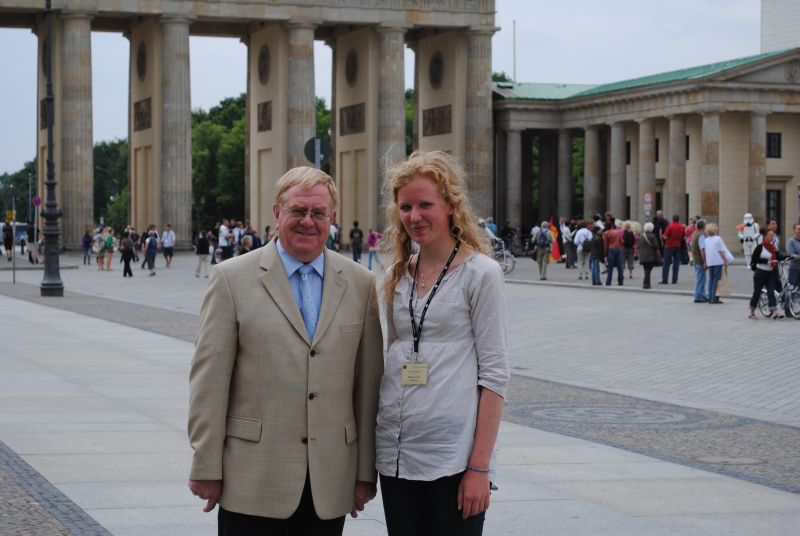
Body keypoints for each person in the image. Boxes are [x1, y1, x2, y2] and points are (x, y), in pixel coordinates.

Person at [188, 166, 383, 535]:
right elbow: (209, 384)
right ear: (277, 212)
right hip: (252, 477)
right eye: (297, 211)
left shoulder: (361, 284)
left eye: (318, 213)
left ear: (333, 217)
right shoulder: (231, 279)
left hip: (329, 480)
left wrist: (363, 473)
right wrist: (206, 466)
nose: (308, 221)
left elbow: (368, 388)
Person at [376, 151, 509, 535]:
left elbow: (495, 376)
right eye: (405, 207)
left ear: (451, 206)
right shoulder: (396, 275)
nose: (414, 216)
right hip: (397, 451)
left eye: (425, 205)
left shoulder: (481, 274)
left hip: (452, 456)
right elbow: (394, 355)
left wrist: (479, 468)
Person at [748, 229, 787, 319]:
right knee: (757, 293)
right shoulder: (760, 247)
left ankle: (774, 311)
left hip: (770, 273)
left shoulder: (773, 247)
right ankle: (752, 311)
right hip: (760, 273)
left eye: (773, 235)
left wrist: (788, 256)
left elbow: (779, 256)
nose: (772, 237)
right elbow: (754, 259)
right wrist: (766, 261)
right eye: (770, 235)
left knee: (771, 292)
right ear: (765, 236)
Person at [704, 223, 731, 304]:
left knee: (711, 279)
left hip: (710, 261)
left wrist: (705, 262)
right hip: (718, 261)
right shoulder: (718, 239)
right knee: (717, 280)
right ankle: (714, 298)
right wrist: (726, 261)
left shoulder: (706, 240)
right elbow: (721, 251)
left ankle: (710, 297)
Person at [659, 214, 685, 284]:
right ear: (678, 219)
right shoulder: (682, 227)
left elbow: (666, 236)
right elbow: (683, 236)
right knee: (676, 264)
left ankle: (665, 279)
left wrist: (663, 236)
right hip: (678, 246)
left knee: (666, 263)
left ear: (672, 219)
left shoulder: (670, 226)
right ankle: (674, 280)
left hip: (669, 246)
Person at [638, 222, 660, 289]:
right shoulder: (652, 236)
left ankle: (648, 284)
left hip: (642, 256)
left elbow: (639, 245)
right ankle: (646, 284)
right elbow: (656, 246)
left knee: (646, 269)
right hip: (650, 256)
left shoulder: (641, 236)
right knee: (648, 270)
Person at [603, 218, 624, 286]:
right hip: (618, 248)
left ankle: (608, 282)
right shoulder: (617, 232)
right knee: (619, 267)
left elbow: (606, 244)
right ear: (612, 226)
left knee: (610, 267)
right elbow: (621, 240)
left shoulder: (606, 233)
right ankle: (620, 281)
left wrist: (605, 253)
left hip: (611, 249)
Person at [690, 219, 708, 302]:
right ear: (704, 226)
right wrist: (705, 261)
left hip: (696, 259)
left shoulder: (694, 233)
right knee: (701, 279)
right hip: (699, 260)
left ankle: (701, 295)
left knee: (700, 278)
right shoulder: (701, 235)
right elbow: (702, 250)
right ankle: (699, 296)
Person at [787, 222, 800, 290]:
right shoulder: (791, 242)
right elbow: (791, 256)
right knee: (791, 290)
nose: (799, 231)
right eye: (798, 229)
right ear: (794, 230)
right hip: (794, 270)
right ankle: (787, 301)